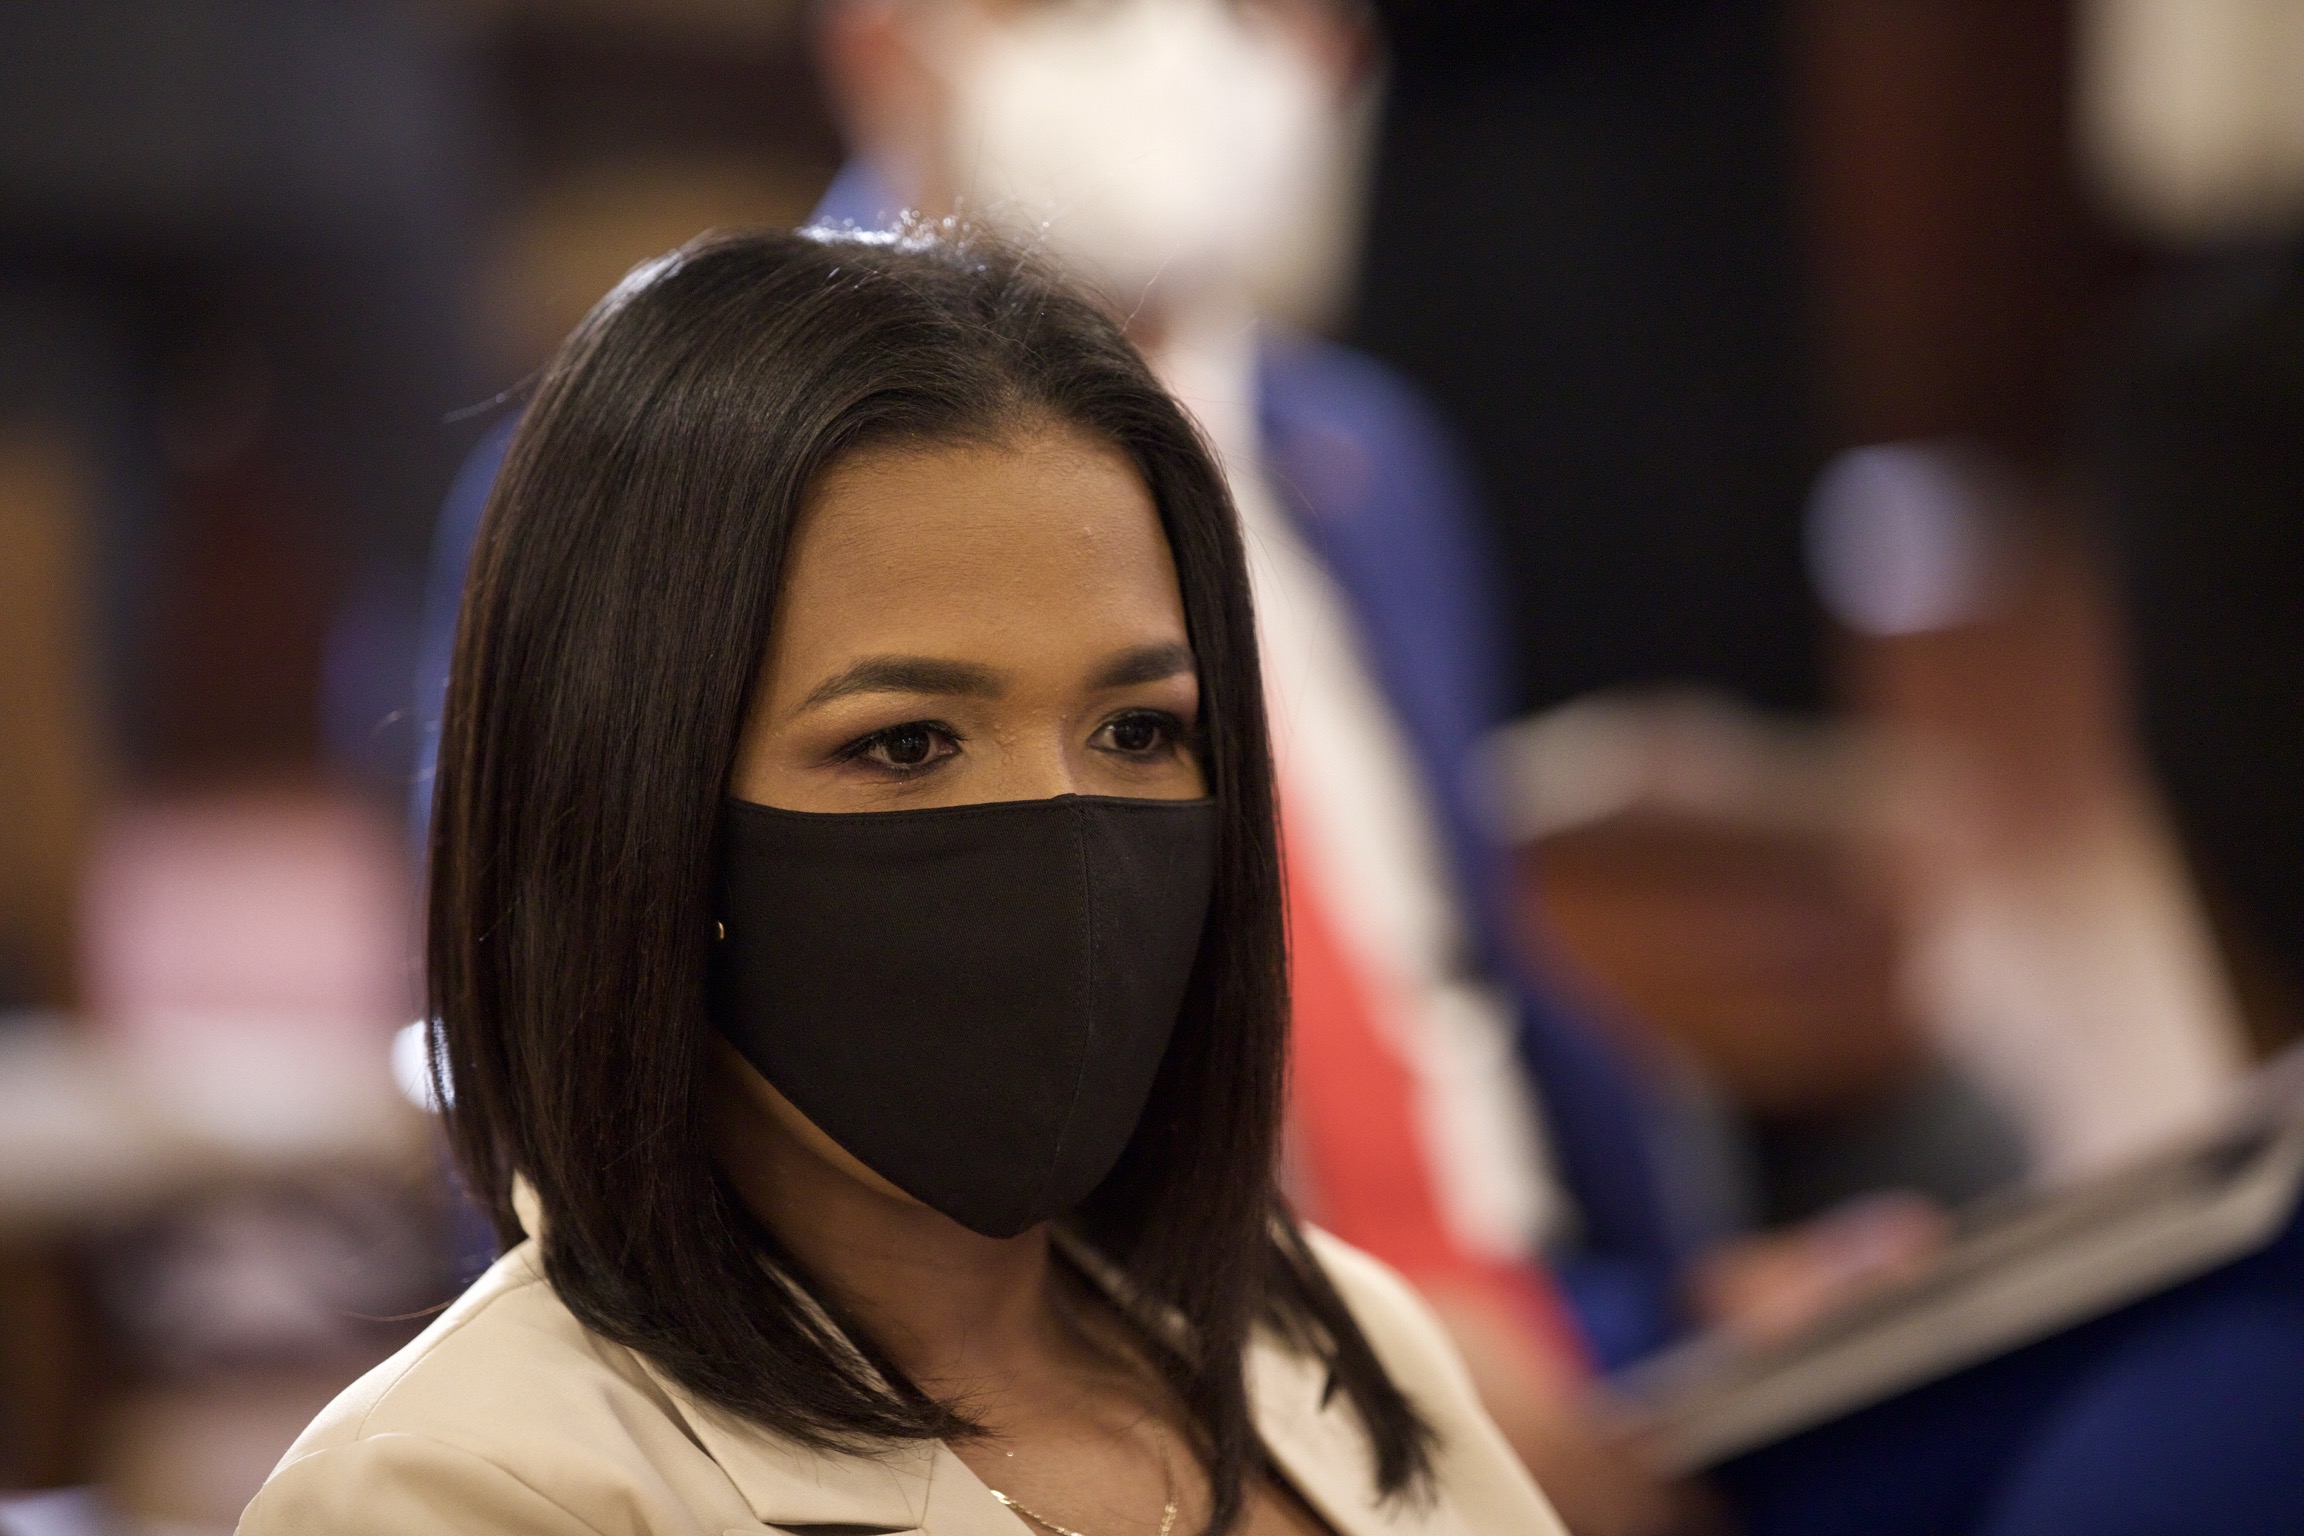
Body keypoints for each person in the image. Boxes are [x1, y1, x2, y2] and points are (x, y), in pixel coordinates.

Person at [240, 227, 1564, 1535]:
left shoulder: (1342, 1348)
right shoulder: (451, 1492)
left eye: (1136, 730)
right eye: (908, 744)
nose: (1066, 842)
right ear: (639, 812)